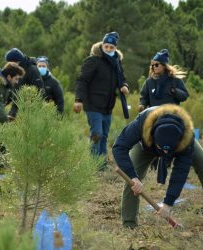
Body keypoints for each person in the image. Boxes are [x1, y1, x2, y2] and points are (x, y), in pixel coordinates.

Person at [112, 104, 203, 228]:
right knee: (133, 181)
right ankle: (129, 224)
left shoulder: (186, 136)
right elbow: (119, 147)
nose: (165, 153)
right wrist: (132, 176)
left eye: (168, 151)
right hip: (146, 146)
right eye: (162, 149)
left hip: (179, 144)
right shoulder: (143, 123)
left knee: (201, 161)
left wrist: (168, 203)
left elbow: (180, 171)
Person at [73, 31, 129, 160]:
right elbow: (82, 80)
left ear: (115, 48)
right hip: (92, 104)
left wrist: (125, 86)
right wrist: (78, 99)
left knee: (104, 136)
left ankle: (101, 165)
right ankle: (92, 164)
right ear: (102, 46)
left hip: (108, 106)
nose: (108, 49)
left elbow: (122, 78)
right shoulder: (93, 60)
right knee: (97, 134)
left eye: (111, 47)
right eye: (106, 46)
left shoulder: (116, 63)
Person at [5, 48, 44, 119]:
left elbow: (40, 90)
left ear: (17, 61)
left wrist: (32, 107)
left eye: (10, 62)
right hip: (15, 108)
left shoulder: (32, 70)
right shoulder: (16, 69)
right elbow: (13, 90)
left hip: (30, 110)